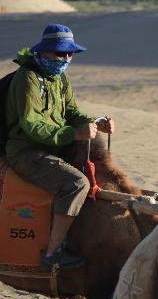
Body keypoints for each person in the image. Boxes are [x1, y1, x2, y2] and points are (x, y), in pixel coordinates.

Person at [4, 24, 115, 269]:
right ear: (43, 52)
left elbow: (72, 111)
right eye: (59, 53)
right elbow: (32, 125)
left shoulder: (60, 78)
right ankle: (52, 254)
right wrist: (74, 134)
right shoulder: (28, 78)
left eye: (69, 54)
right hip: (26, 151)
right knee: (75, 184)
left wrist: (94, 123)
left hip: (53, 147)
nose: (65, 59)